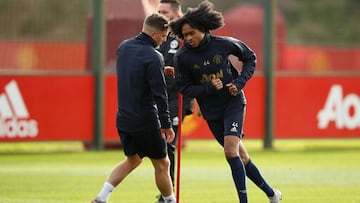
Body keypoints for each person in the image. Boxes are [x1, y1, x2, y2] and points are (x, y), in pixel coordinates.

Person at [169, 1, 282, 203]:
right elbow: (184, 88)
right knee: (241, 157)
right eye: (185, 35)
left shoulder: (223, 44)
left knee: (230, 152)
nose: (188, 38)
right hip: (211, 111)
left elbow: (250, 57)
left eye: (192, 33)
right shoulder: (182, 57)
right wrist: (209, 88)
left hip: (233, 103)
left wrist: (238, 83)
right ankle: (272, 194)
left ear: (203, 29)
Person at [91, 13, 176, 203]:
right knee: (163, 163)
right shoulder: (154, 56)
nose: (164, 41)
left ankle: (101, 198)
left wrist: (160, 69)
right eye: (163, 36)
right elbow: (160, 95)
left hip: (124, 118)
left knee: (133, 160)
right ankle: (171, 201)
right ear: (154, 34)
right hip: (146, 119)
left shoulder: (124, 47)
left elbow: (135, 70)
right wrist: (166, 124)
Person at [156, 1, 194, 202]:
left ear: (176, 13)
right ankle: (166, 192)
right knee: (157, 146)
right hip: (159, 98)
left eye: (165, 12)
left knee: (167, 144)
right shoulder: (158, 36)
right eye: (159, 11)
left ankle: (167, 196)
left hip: (177, 98)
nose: (161, 15)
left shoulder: (185, 37)